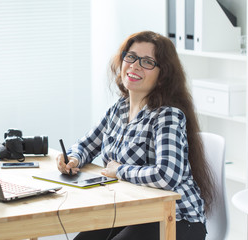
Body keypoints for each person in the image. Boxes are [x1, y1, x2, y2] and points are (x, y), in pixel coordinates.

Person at [56, 31, 215, 240]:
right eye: (130, 57)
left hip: (177, 220)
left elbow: (166, 175)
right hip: (131, 213)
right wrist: (73, 158)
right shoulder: (118, 109)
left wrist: (119, 170)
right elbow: (86, 145)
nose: (135, 65)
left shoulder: (168, 116)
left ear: (162, 77)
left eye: (147, 62)